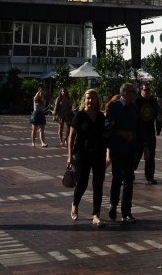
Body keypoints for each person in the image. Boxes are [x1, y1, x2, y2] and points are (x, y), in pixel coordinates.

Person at [67, 88, 107, 227]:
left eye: (93, 98)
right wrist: (69, 156)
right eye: (88, 98)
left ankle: (96, 215)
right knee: (82, 184)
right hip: (82, 154)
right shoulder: (79, 116)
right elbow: (71, 137)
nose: (90, 100)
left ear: (97, 101)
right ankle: (75, 203)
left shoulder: (101, 117)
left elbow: (105, 134)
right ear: (84, 100)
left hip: (99, 154)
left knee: (98, 185)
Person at [105, 82, 140, 223]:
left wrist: (136, 138)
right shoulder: (114, 106)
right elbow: (108, 126)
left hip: (130, 148)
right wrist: (122, 133)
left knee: (129, 180)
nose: (134, 94)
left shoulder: (134, 107)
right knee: (117, 178)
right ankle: (113, 205)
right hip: (117, 148)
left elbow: (138, 126)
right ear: (125, 93)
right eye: (132, 91)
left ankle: (127, 212)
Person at [135, 83, 161, 184]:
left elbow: (158, 113)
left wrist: (159, 124)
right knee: (136, 155)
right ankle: (128, 174)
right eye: (145, 90)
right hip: (138, 132)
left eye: (149, 90)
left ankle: (150, 176)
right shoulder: (137, 101)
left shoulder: (153, 101)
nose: (147, 92)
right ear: (141, 90)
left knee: (151, 155)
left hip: (150, 131)